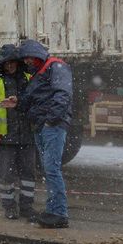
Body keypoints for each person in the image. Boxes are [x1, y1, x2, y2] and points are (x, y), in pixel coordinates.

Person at [15, 39, 73, 229]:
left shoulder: (55, 66)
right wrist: (17, 101)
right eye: (25, 59)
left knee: (51, 169)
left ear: (35, 54)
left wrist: (50, 120)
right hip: (43, 126)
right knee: (50, 169)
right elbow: (33, 99)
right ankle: (53, 210)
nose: (27, 62)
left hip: (50, 126)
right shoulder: (41, 72)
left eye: (29, 57)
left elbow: (62, 95)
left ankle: (59, 213)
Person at [0, 43, 36, 219]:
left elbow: (35, 102)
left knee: (28, 174)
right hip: (4, 138)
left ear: (18, 62)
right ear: (2, 63)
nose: (10, 66)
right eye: (7, 62)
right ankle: (9, 207)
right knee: (6, 176)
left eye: (13, 62)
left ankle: (27, 207)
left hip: (27, 137)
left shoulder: (28, 78)